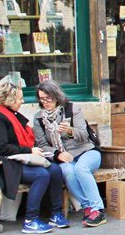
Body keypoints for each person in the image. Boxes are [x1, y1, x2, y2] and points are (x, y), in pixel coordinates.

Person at [0, 78, 68, 234]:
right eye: (19, 98)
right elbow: (2, 148)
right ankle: (31, 220)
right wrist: (29, 151)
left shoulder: (10, 115)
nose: (22, 101)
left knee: (54, 170)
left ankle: (56, 213)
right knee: (41, 175)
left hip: (16, 160)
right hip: (4, 165)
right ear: (9, 100)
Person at [32, 80, 106, 227]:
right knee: (68, 172)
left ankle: (98, 209)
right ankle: (88, 208)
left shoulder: (72, 109)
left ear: (56, 96)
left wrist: (70, 131)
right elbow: (42, 144)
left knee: (81, 168)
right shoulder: (39, 118)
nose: (45, 102)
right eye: (42, 99)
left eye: (49, 98)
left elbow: (84, 135)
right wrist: (57, 153)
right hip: (64, 156)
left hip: (87, 151)